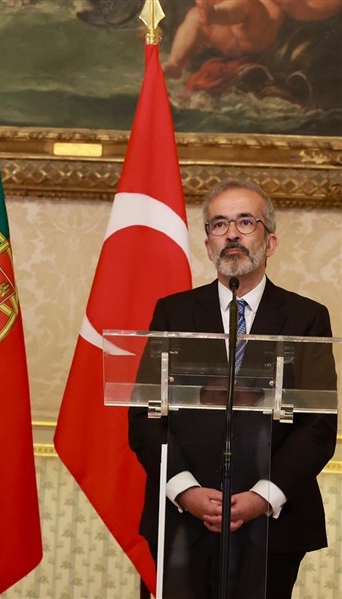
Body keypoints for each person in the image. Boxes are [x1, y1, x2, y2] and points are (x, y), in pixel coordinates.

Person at [128, 179, 337, 599]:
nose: (232, 234)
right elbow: (144, 416)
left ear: (270, 241)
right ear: (208, 243)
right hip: (183, 519)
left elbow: (317, 426)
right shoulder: (173, 312)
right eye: (219, 224)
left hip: (273, 523)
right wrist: (185, 490)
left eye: (246, 222)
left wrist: (263, 496)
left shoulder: (307, 317)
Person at [163, 0, 285, 80]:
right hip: (224, 33)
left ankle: (214, 14)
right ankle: (175, 63)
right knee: (195, 16)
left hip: (257, 32)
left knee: (246, 3)